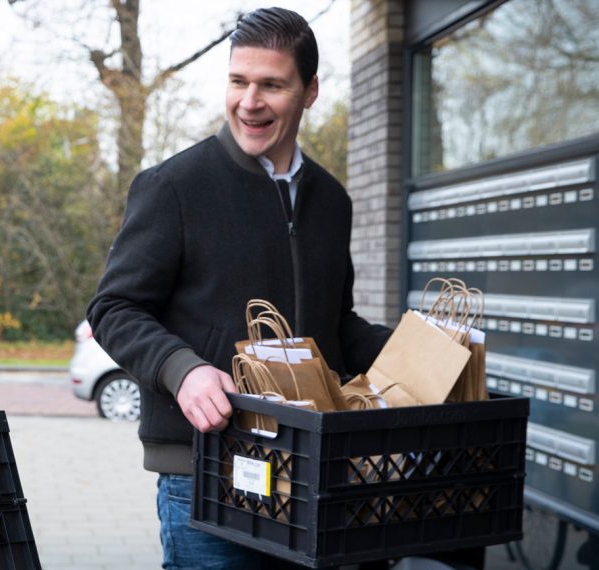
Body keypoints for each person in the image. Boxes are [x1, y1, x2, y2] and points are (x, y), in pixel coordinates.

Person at [86, 8, 391, 569]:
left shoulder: (331, 200)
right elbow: (113, 308)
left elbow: (336, 325)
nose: (249, 101)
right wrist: (183, 369)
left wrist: (420, 352)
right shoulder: (173, 187)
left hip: (310, 474)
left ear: (309, 91)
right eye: (238, 80)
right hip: (205, 473)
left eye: (272, 85)